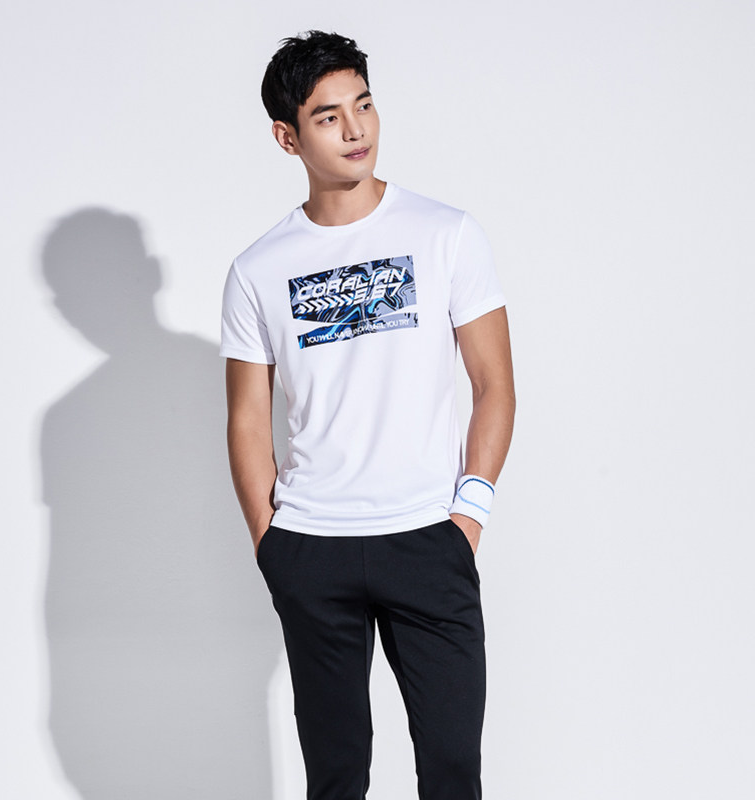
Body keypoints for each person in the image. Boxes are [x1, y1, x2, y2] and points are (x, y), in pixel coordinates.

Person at [220, 30, 515, 800]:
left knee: (452, 768)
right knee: (336, 776)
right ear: (287, 137)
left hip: (427, 538)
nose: (355, 130)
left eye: (364, 105)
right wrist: (271, 545)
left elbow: (494, 384)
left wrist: (468, 516)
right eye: (328, 117)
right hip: (312, 545)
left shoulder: (446, 234)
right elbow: (247, 419)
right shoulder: (257, 270)